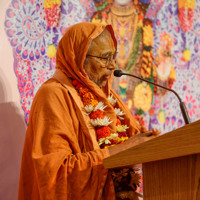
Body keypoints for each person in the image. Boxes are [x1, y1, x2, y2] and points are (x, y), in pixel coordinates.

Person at [18, 22, 159, 200]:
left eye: (113, 57)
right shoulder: (53, 94)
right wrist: (121, 151)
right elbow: (55, 174)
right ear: (79, 56)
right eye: (105, 57)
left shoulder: (107, 96)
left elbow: (130, 139)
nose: (112, 66)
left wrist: (147, 142)